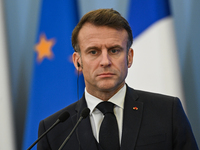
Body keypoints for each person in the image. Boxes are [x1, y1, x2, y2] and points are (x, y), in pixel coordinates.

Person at [37, 9, 198, 150]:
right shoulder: (53, 130)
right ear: (78, 61)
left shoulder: (167, 112)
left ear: (129, 57)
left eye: (114, 50)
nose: (105, 61)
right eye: (93, 52)